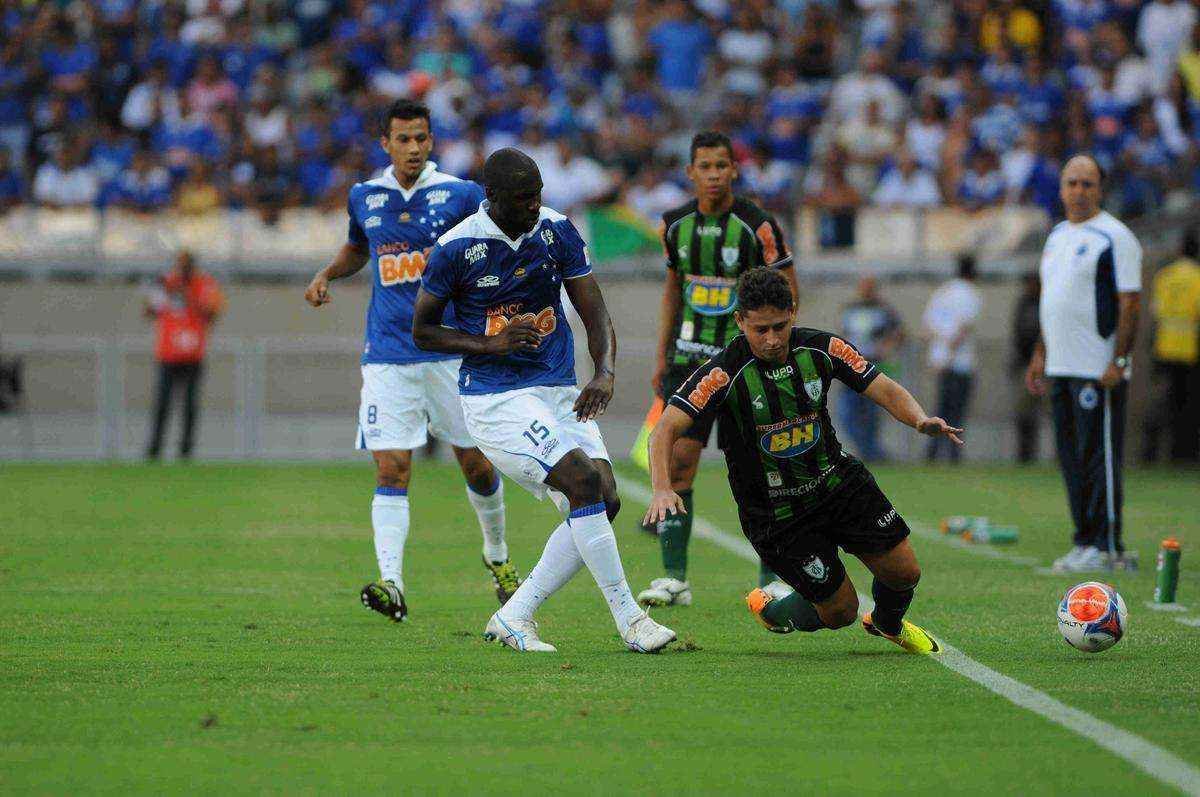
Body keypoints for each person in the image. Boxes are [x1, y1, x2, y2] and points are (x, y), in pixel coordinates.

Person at [412, 147, 675, 654]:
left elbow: (594, 310)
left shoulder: (556, 231)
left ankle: (514, 615)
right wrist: (491, 344)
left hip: (557, 390)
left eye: (538, 196)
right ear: (493, 198)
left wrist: (604, 372)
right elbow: (423, 331)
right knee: (581, 480)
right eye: (523, 199)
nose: (535, 206)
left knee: (604, 496)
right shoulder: (456, 247)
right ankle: (630, 620)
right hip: (495, 400)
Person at [643, 268, 960, 654]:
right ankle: (774, 610)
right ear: (739, 320)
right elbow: (665, 430)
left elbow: (882, 387)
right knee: (841, 611)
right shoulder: (722, 373)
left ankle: (887, 624)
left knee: (905, 572)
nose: (773, 339)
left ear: (792, 312)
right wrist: (661, 488)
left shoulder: (822, 349)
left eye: (780, 326)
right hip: (777, 516)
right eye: (761, 329)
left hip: (838, 484)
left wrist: (919, 419)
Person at [304, 100, 517, 623]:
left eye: (422, 138)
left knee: (476, 462)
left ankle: (498, 557)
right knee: (392, 466)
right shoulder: (365, 196)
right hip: (388, 355)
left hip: (449, 352)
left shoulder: (461, 195)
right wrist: (327, 274)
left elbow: (494, 245)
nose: (414, 148)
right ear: (386, 143)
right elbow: (360, 249)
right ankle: (392, 583)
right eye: (404, 139)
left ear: (431, 140)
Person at [637, 130, 799, 609]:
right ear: (690, 173)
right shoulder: (675, 225)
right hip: (689, 361)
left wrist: (779, 348)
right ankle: (674, 579)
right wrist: (661, 354)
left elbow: (788, 291)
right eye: (704, 167)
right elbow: (673, 292)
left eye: (721, 166)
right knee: (679, 462)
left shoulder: (757, 226)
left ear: (734, 170)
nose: (713, 175)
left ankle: (773, 576)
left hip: (743, 363)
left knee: (763, 465)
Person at [1026, 155, 1143, 573]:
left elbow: (1130, 302)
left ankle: (1109, 546)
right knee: (1072, 458)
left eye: (1087, 184)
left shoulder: (1115, 237)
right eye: (1071, 183)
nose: (1079, 191)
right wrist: (1040, 353)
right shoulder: (1057, 234)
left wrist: (1120, 359)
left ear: (1100, 189)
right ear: (1060, 188)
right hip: (1060, 365)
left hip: (1098, 367)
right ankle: (1084, 542)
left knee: (1100, 457)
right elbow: (1051, 300)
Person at [144, 250, 225, 460]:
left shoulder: (205, 283)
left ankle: (186, 450)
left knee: (190, 404)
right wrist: (164, 290)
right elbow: (149, 310)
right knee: (162, 404)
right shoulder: (165, 282)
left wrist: (189, 294)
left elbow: (213, 312)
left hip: (193, 354)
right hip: (168, 353)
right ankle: (155, 448)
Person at [1144, 229, 1200, 462]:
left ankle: (1153, 455)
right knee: (1188, 407)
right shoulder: (1197, 276)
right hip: (1190, 350)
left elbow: (1156, 314)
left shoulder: (1164, 276)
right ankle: (1184, 455)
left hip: (1164, 348)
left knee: (1163, 405)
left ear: (1179, 250)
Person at [922, 253, 981, 463]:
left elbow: (927, 327)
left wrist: (938, 357)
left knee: (941, 410)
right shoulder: (970, 293)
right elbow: (963, 329)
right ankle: (953, 455)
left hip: (940, 362)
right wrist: (949, 355)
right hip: (959, 362)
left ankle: (932, 453)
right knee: (956, 411)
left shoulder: (943, 292)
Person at [839, 276, 904, 461]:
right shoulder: (850, 309)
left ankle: (872, 453)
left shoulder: (884, 310)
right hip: (851, 366)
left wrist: (886, 348)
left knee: (871, 415)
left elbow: (899, 332)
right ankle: (870, 451)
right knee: (847, 415)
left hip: (873, 365)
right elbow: (843, 334)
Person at [1012, 271, 1043, 463]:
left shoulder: (1046, 302)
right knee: (1024, 414)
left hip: (1047, 367)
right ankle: (1025, 456)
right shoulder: (1023, 304)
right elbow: (1017, 333)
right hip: (1026, 365)